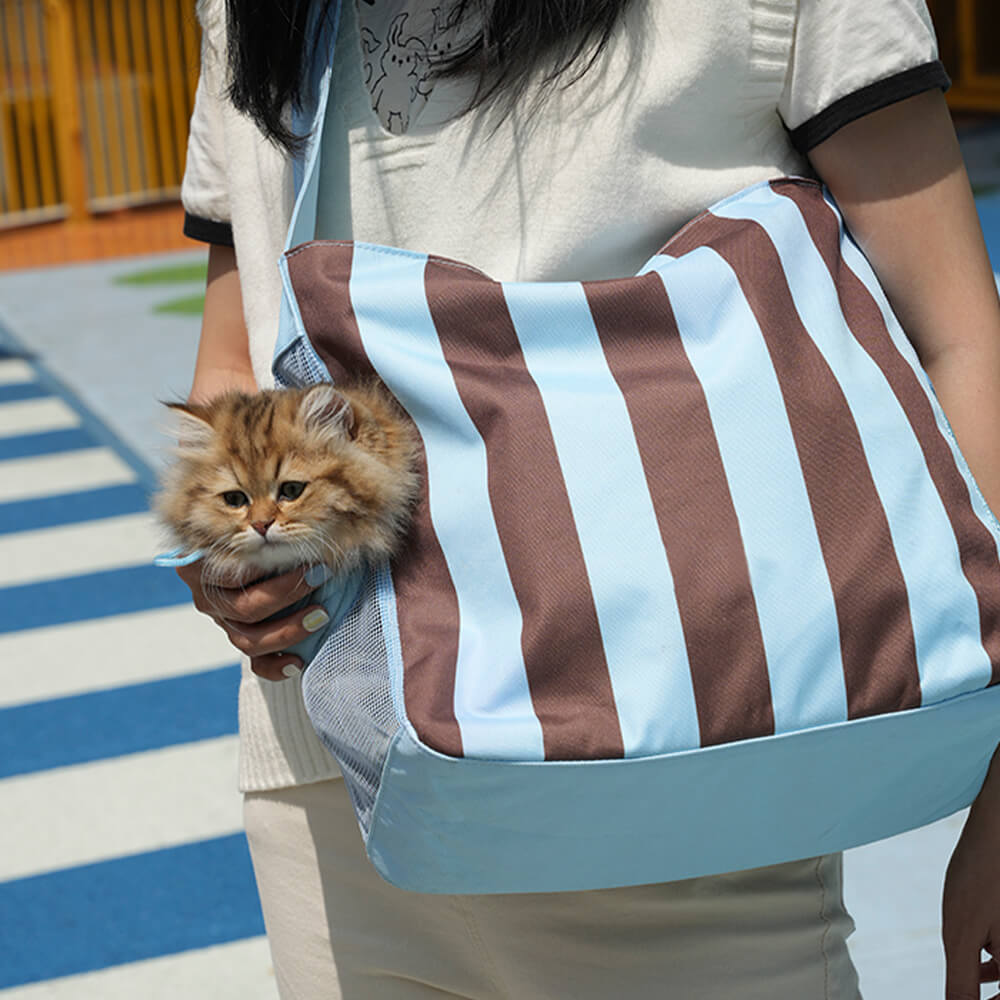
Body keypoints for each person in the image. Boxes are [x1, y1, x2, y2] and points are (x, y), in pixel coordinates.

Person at [177, 0, 1000, 996]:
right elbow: (237, 340)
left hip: (677, 782)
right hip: (333, 781)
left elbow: (959, 333)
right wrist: (228, 550)